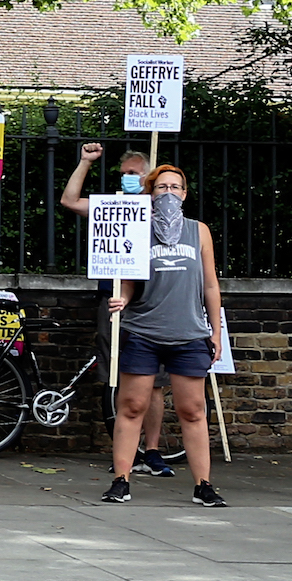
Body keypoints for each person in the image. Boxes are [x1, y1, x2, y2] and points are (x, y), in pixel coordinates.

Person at [102, 164, 229, 507]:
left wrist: (215, 332)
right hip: (144, 330)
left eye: (175, 187)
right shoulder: (138, 230)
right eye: (161, 187)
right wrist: (122, 299)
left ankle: (203, 484)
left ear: (185, 194)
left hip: (188, 332)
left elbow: (211, 284)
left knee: (193, 410)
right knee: (132, 406)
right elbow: (128, 278)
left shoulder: (198, 231)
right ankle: (121, 479)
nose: (168, 192)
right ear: (151, 193)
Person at [62, 142, 177, 475]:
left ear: (149, 177)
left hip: (152, 300)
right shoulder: (112, 206)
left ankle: (152, 449)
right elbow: (70, 201)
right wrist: (85, 162)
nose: (128, 178)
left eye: (134, 174)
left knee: (154, 380)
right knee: (114, 374)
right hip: (113, 297)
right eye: (123, 173)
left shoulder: (163, 212)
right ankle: (125, 449)